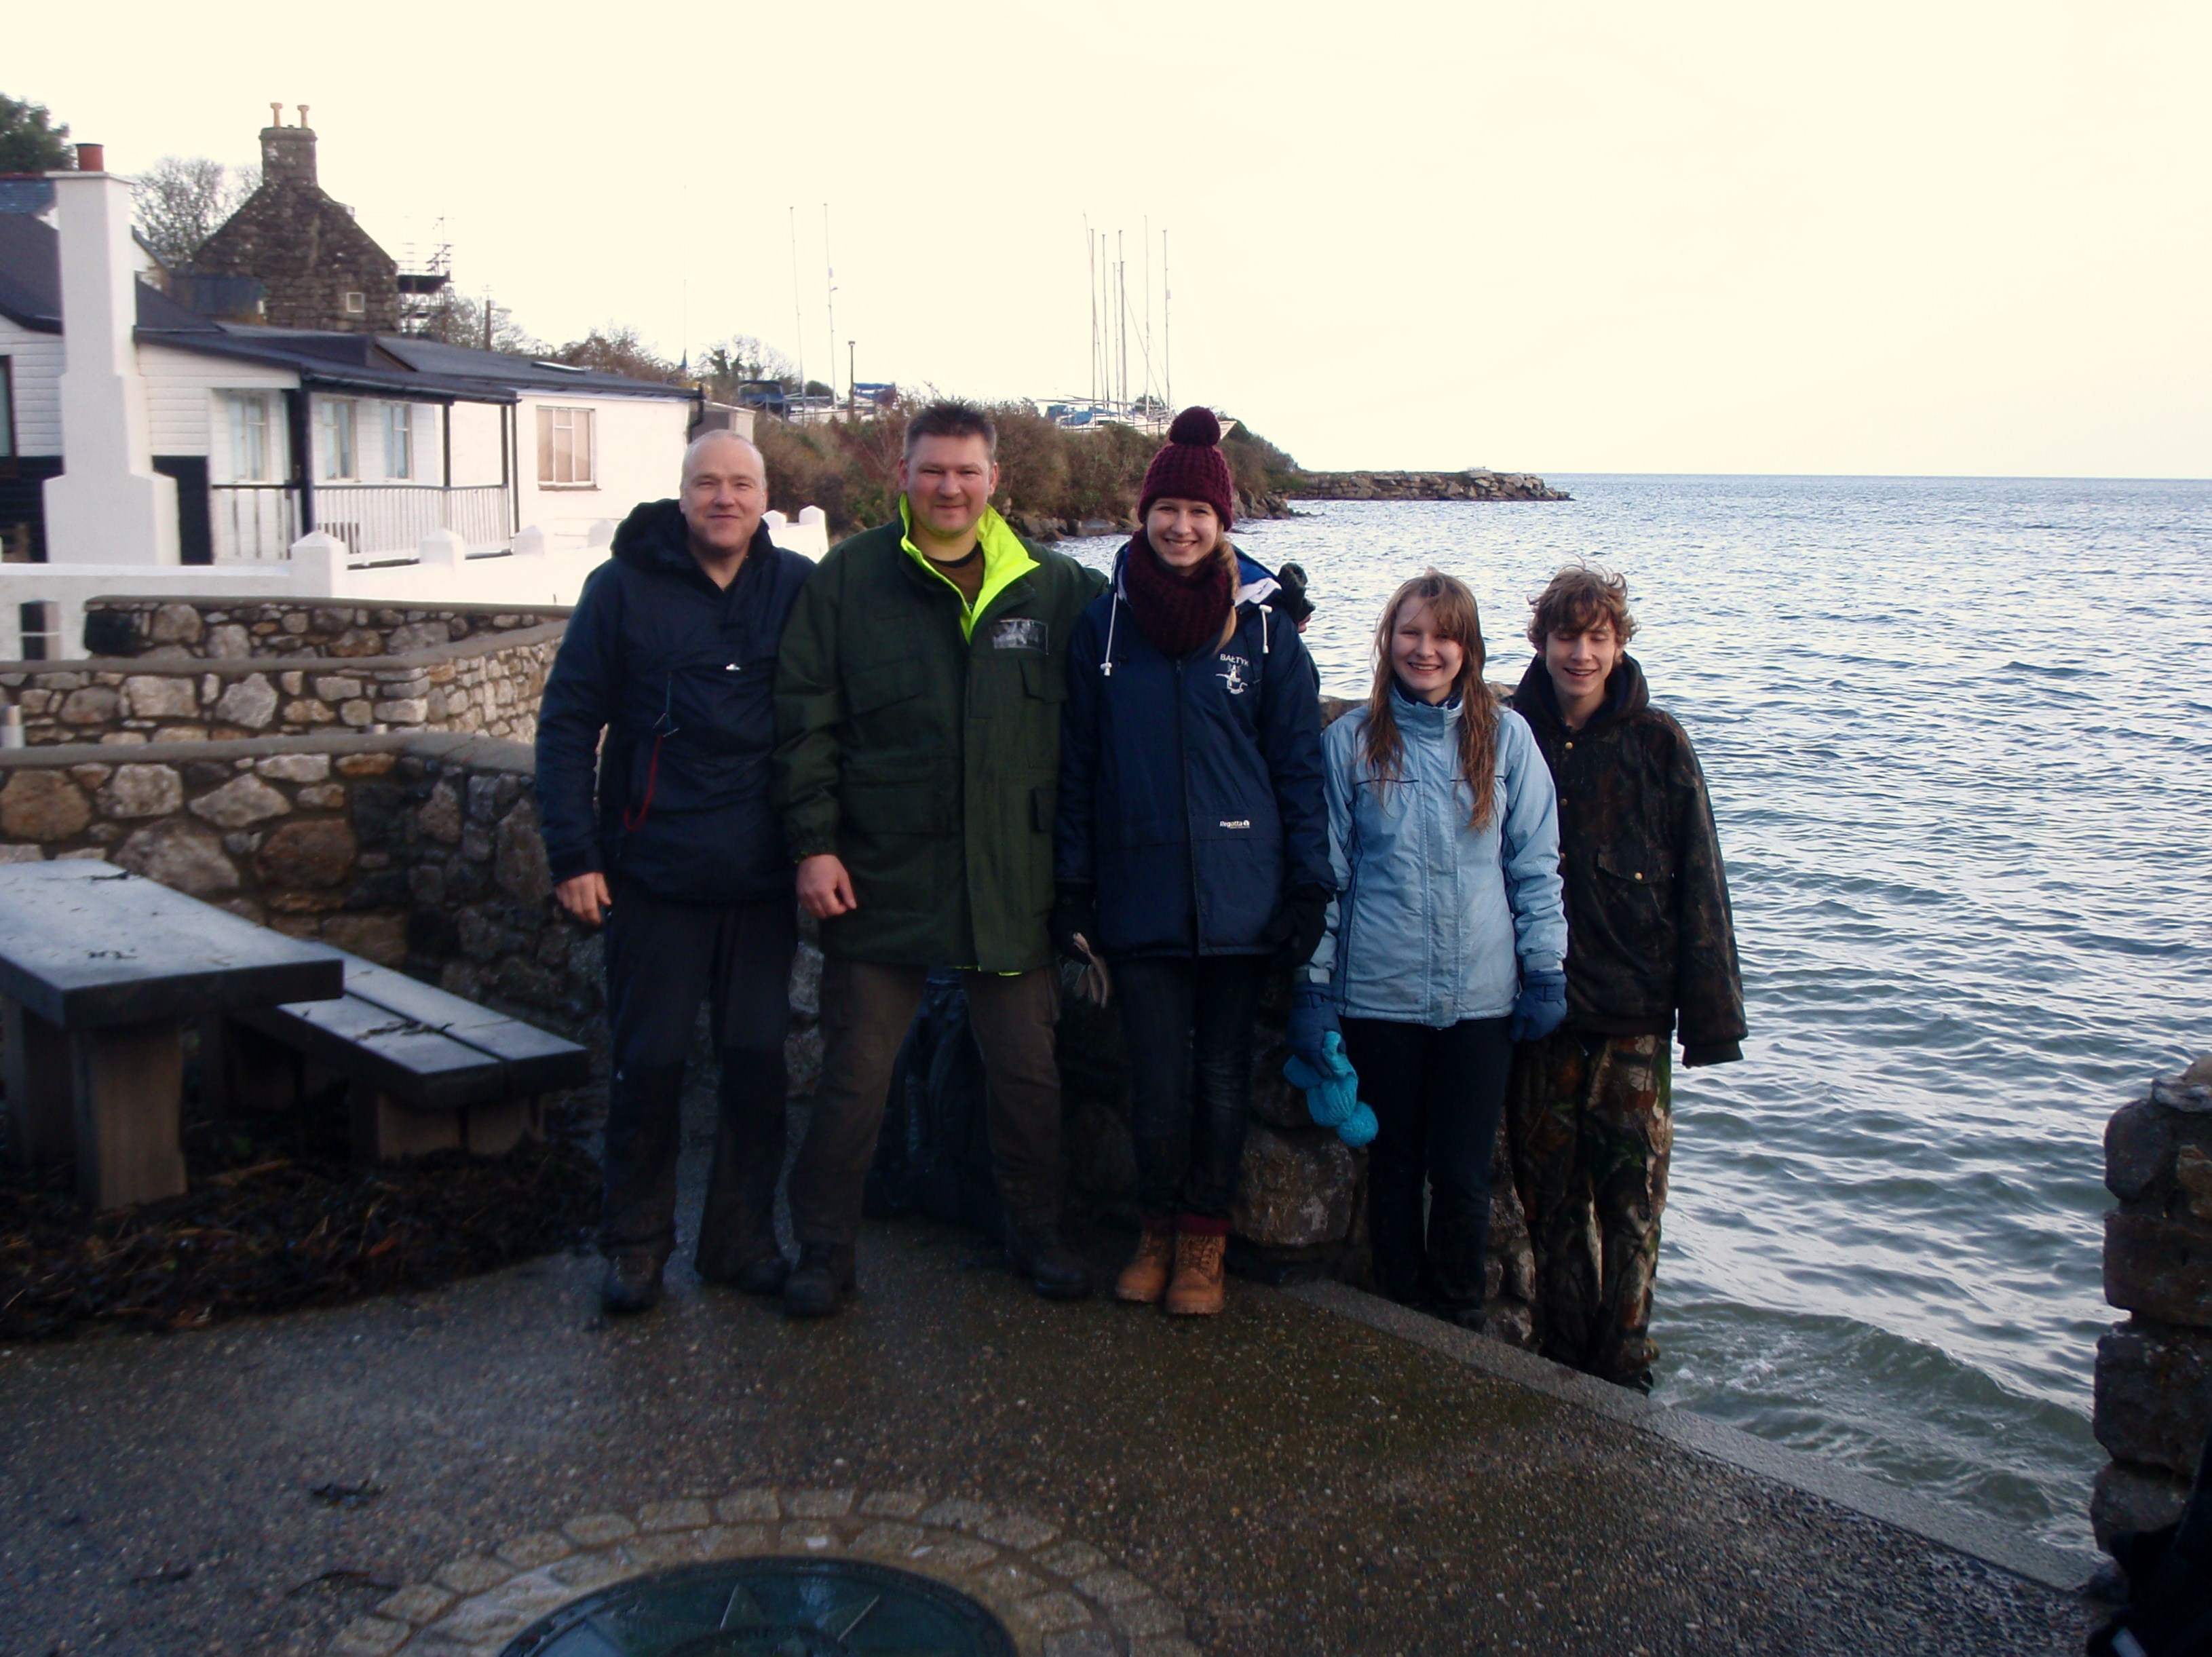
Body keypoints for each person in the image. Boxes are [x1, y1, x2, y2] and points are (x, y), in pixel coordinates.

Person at [773, 400, 1107, 1316]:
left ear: (996, 478)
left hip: (1011, 877)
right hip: (880, 873)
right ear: (904, 474)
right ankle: (825, 1249)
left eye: (967, 471)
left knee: (1027, 1074)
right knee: (855, 1073)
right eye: (932, 470)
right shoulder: (848, 580)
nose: (949, 488)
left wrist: (1249, 599)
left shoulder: (1056, 588)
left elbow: (1148, 641)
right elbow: (804, 722)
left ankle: (1034, 1230)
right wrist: (815, 844)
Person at [1054, 406, 1330, 1317]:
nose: (1180, 525)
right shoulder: (1101, 629)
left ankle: (1204, 1249)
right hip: (1137, 898)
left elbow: (1298, 770)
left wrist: (1306, 889)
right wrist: (1074, 886)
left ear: (1224, 522)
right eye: (1166, 507)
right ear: (1145, 514)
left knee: (1218, 1081)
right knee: (1156, 1081)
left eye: (1198, 512)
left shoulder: (1263, 634)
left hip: (1241, 903)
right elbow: (1078, 770)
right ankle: (1154, 1233)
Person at [535, 431, 814, 1316]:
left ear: (764, 495)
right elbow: (567, 724)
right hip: (651, 874)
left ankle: (738, 1239)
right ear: (682, 493)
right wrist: (574, 853)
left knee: (754, 1067)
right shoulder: (620, 589)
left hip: (762, 878)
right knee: (648, 1066)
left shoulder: (798, 589)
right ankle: (635, 1245)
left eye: (740, 483)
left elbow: (831, 724)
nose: (723, 498)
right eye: (707, 483)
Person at [1297, 571, 1567, 1329]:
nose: (1426, 649)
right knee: (1393, 1168)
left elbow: (1534, 865)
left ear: (1467, 648)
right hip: (1379, 995)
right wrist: (1312, 985)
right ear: (1388, 642)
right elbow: (1327, 877)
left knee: (1459, 1176)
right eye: (1410, 633)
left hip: (1481, 998)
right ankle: (1402, 1315)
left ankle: (1460, 1321)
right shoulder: (1349, 742)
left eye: (1443, 635)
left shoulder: (1506, 739)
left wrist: (1545, 967)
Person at [1507, 561, 1746, 1389]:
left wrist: (1713, 1022)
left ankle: (1627, 1361)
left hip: (1635, 1016)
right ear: (1539, 643)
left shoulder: (1658, 743)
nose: (1579, 654)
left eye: (1596, 638)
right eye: (1565, 637)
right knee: (1548, 1195)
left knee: (1632, 1201)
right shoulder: (1507, 733)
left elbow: (1701, 881)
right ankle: (1563, 1356)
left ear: (1618, 646)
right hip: (1537, 1015)